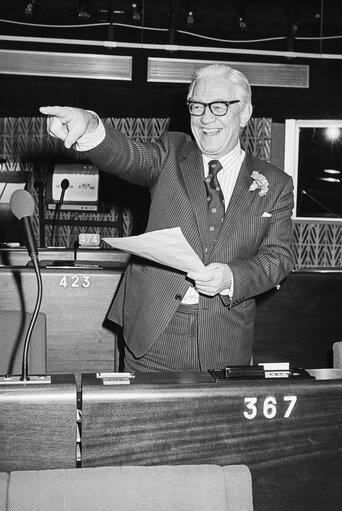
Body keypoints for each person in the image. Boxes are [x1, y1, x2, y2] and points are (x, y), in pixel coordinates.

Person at [40, 63, 294, 372]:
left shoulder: (275, 182)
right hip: (153, 333)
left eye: (218, 106)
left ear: (244, 113)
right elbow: (128, 155)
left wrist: (231, 277)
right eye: (197, 107)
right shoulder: (171, 152)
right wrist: (91, 129)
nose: (205, 117)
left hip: (223, 339)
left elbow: (278, 257)